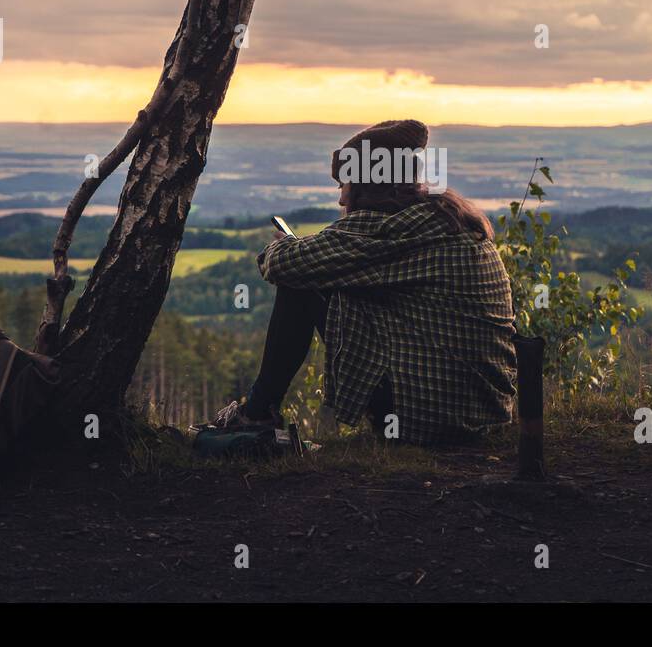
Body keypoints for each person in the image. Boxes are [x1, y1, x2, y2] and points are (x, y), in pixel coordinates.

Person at [213, 119, 517, 445]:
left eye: (345, 185)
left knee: (301, 284)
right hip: (485, 414)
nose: (342, 200)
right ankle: (258, 412)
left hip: (433, 419)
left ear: (367, 185)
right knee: (328, 282)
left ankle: (257, 414)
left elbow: (283, 265)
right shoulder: (440, 217)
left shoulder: (388, 228)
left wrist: (284, 245)